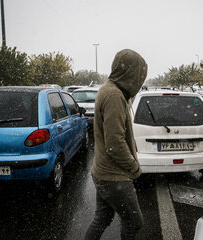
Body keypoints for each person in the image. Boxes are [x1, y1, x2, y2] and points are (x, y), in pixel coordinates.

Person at [85, 49, 148, 240]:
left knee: (102, 219)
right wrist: (134, 168)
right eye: (140, 75)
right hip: (114, 176)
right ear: (131, 73)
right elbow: (114, 144)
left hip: (103, 172)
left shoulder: (110, 89)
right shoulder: (114, 96)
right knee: (134, 222)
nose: (140, 80)